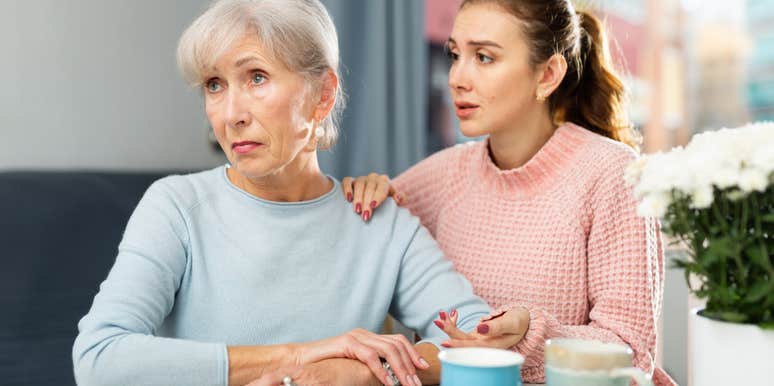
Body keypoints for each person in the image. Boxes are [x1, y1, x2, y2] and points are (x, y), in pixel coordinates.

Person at [71, 1, 498, 385]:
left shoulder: (379, 221)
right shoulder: (177, 208)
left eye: (256, 77)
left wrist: (363, 372)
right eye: (215, 84)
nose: (231, 114)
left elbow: (479, 338)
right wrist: (298, 357)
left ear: (323, 95)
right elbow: (99, 358)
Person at [343, 1, 675, 384]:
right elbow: (365, 236)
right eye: (455, 55)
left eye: (484, 57)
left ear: (548, 74)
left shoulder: (613, 173)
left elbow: (630, 351)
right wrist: (368, 193)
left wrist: (529, 334)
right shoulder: (443, 175)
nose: (456, 78)